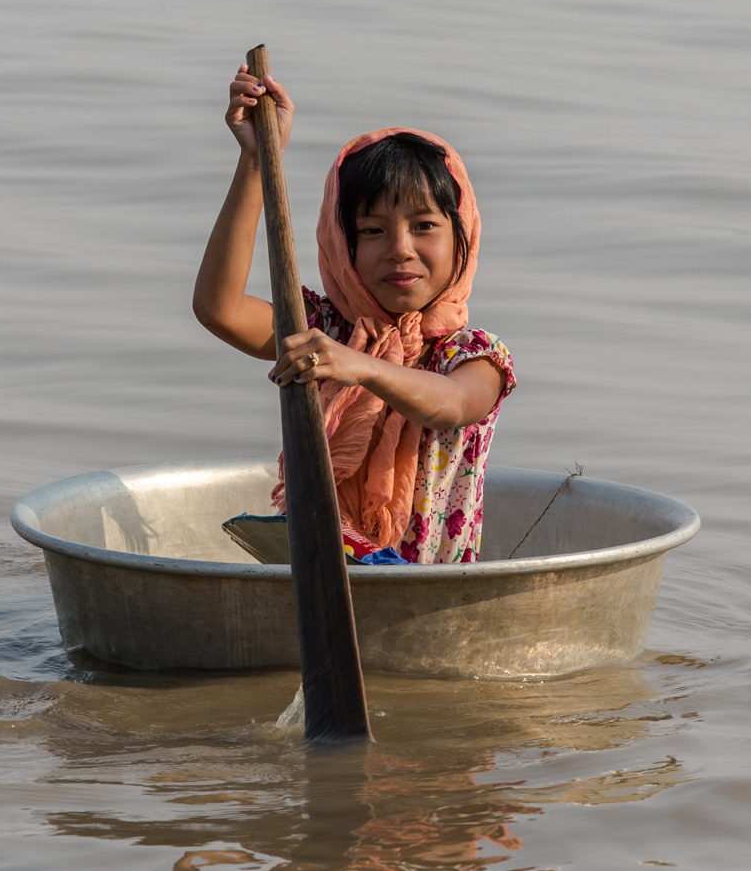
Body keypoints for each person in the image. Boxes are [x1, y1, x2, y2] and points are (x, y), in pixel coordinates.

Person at [193, 65, 515, 564]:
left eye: (424, 226)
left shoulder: (472, 354)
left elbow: (451, 405)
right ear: (341, 246)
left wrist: (359, 366)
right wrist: (258, 160)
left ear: (461, 240)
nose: (400, 250)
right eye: (372, 231)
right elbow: (220, 309)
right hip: (328, 572)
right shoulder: (325, 330)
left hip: (433, 592)